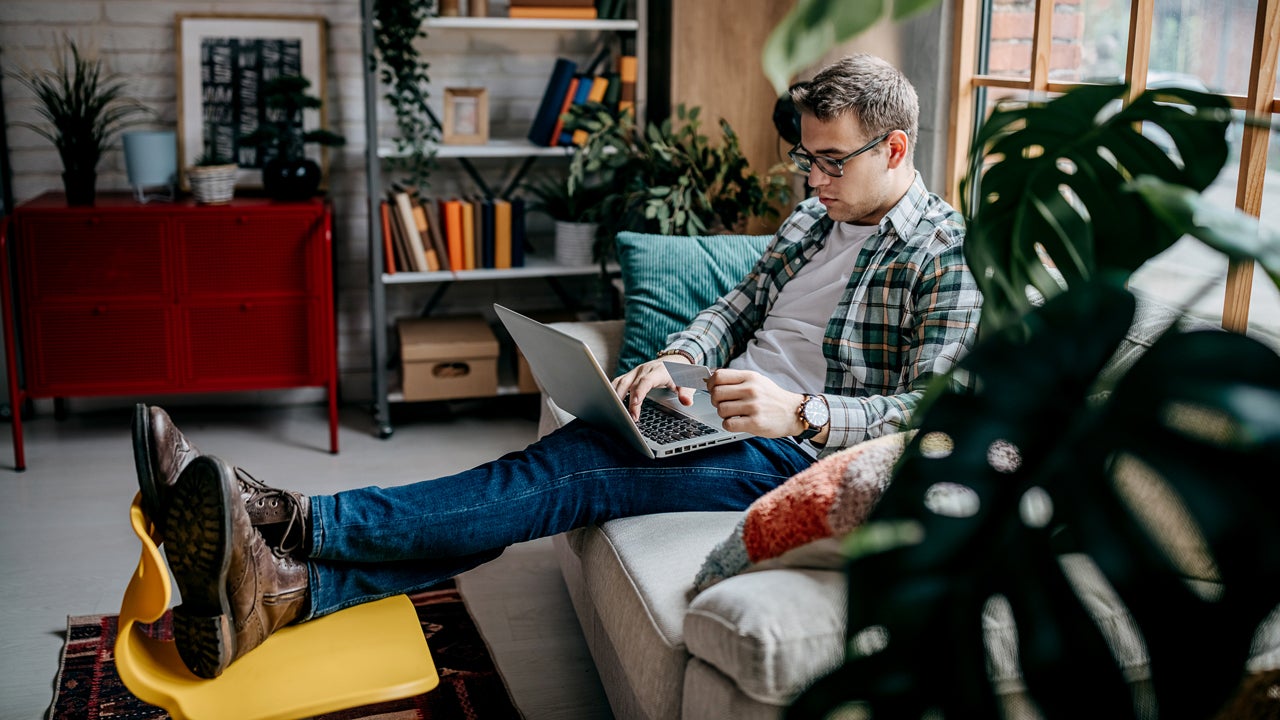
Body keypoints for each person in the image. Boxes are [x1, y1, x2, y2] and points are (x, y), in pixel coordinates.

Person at [137, 53, 983, 679]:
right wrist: (678, 359)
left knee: (565, 474)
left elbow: (935, 409)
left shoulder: (943, 257)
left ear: (897, 148)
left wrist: (803, 415)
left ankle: (289, 519)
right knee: (559, 468)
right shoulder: (813, 218)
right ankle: (282, 592)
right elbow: (738, 306)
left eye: (831, 161)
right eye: (806, 158)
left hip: (792, 454)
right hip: (714, 413)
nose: (814, 177)